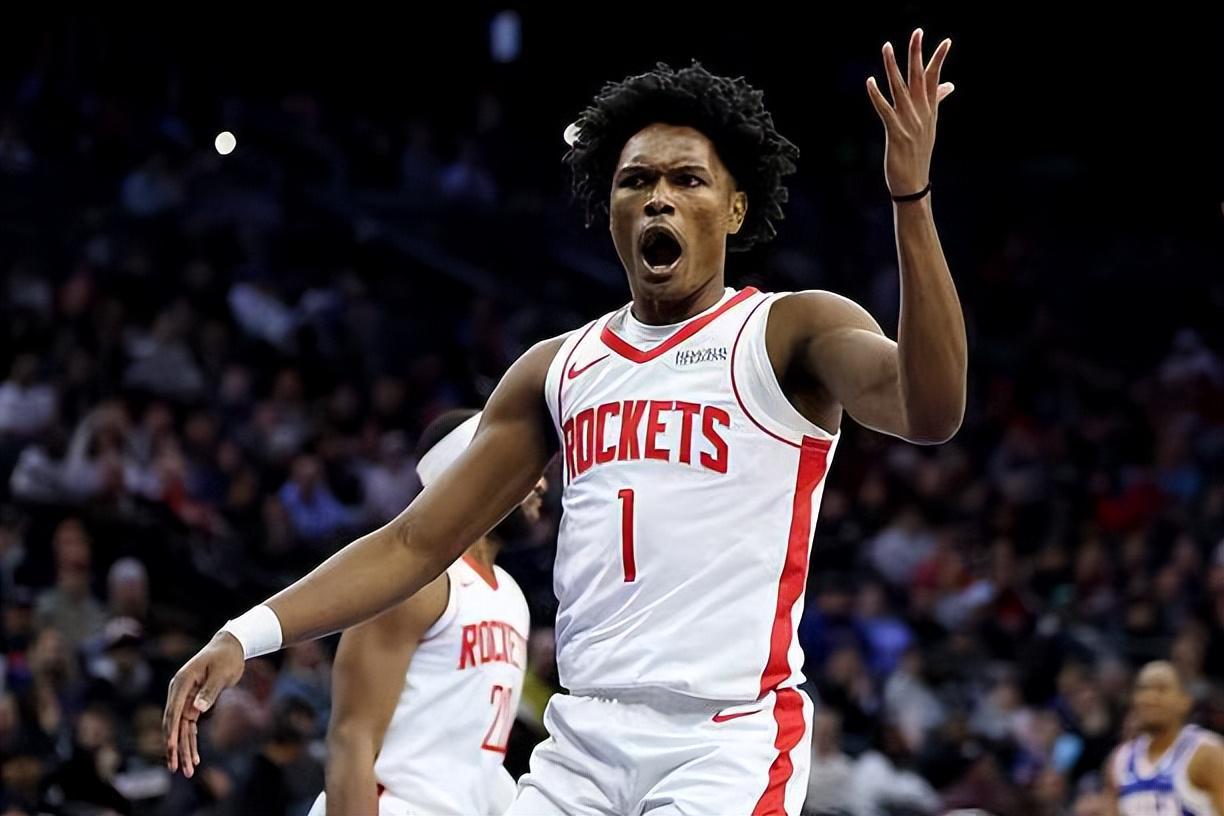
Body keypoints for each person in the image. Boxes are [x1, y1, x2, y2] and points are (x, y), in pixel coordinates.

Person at [167, 29, 966, 816]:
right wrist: (246, 633)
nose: (658, 196)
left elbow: (930, 411)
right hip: (582, 742)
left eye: (688, 179)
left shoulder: (789, 331)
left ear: (735, 208)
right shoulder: (557, 368)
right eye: (635, 180)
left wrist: (911, 200)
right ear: (609, 208)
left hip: (722, 741)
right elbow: (414, 542)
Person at [308, 410, 540, 816]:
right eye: (524, 465)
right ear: (478, 472)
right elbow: (351, 739)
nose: (540, 483)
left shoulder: (511, 595)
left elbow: (473, 757)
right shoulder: (414, 582)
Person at [1104, 660, 1224, 815]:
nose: (1149, 697)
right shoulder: (1120, 760)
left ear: (1185, 701)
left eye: (1161, 689)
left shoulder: (1208, 753)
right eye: (1143, 689)